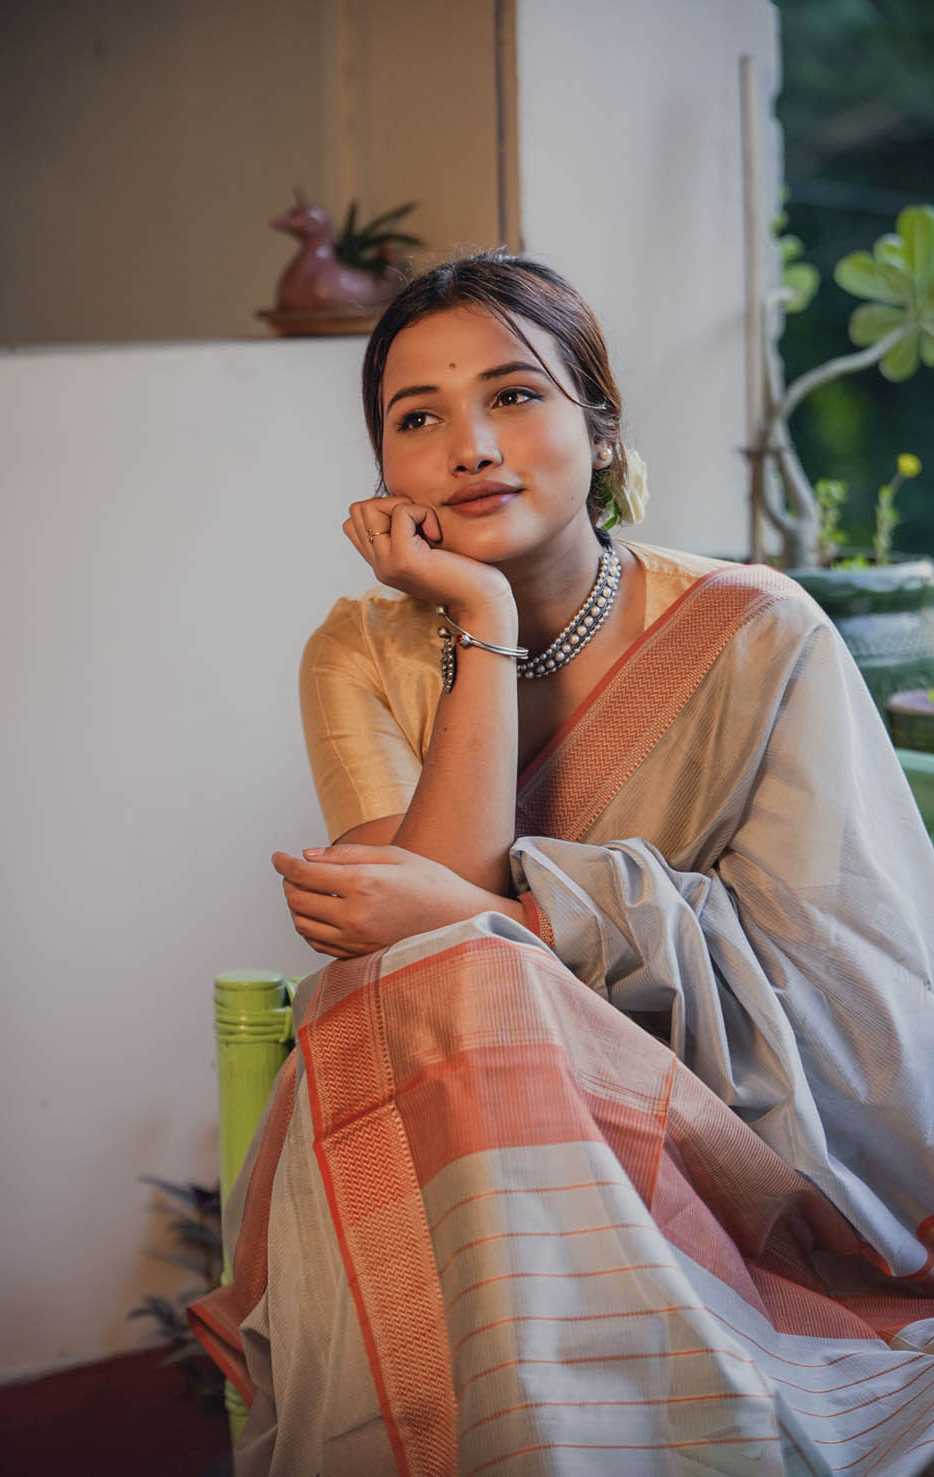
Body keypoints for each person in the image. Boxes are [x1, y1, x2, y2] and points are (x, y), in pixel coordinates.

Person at [191, 253, 934, 1475]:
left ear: (599, 428)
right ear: (387, 477)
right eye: (417, 418)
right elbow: (414, 944)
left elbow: (833, 990)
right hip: (479, 1116)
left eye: (514, 395)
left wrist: (502, 916)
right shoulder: (364, 649)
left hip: (737, 1137)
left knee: (460, 981)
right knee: (445, 989)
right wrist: (479, 620)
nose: (470, 443)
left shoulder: (757, 632)